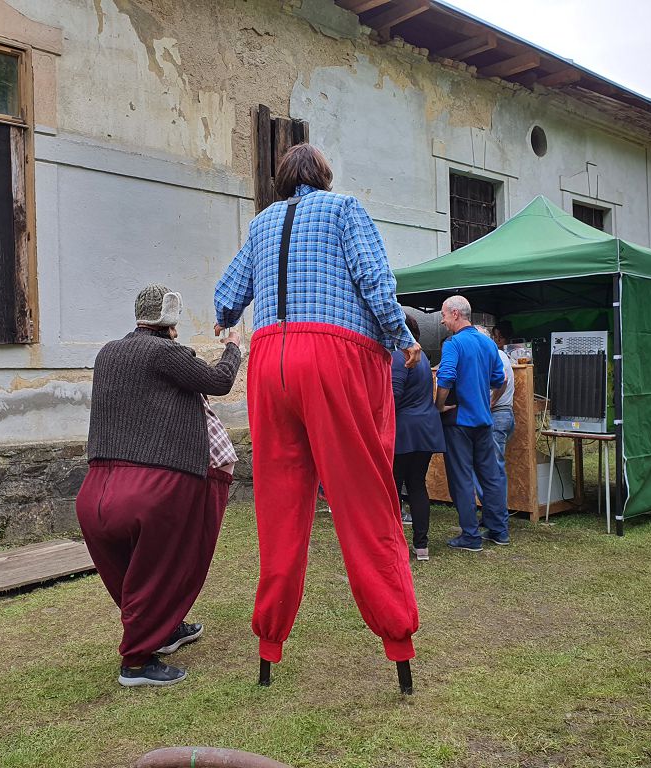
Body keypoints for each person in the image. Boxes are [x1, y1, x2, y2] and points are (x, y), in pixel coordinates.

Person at [214, 143, 421, 691]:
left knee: (279, 507)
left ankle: (269, 644)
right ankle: (397, 638)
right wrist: (402, 336)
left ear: (284, 178)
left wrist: (224, 317)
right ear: (323, 176)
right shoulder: (344, 208)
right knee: (364, 498)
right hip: (333, 355)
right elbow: (375, 280)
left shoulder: (261, 223)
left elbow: (227, 295)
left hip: (269, 363)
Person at [76, 284, 242, 688]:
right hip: (152, 486)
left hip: (96, 489)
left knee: (131, 574)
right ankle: (136, 664)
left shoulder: (107, 353)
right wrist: (234, 347)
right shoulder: (166, 352)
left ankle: (164, 630)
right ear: (171, 319)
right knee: (166, 568)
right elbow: (219, 381)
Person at [435, 296, 509, 552]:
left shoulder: (453, 344)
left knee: (462, 478)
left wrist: (439, 405)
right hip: (484, 420)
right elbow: (500, 379)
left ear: (455, 314)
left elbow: (445, 376)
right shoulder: (488, 343)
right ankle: (499, 531)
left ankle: (470, 535)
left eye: (444, 315)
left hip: (459, 421)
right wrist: (488, 401)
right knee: (491, 476)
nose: (442, 321)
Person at [392, 313, 445, 561]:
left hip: (404, 431)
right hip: (426, 428)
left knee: (393, 487)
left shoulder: (400, 356)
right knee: (416, 485)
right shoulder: (422, 357)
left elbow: (393, 396)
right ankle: (421, 546)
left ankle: (394, 544)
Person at [474, 325, 515, 517]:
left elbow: (503, 379)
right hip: (504, 414)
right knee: (492, 468)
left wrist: (490, 402)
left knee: (492, 469)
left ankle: (496, 517)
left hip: (497, 415)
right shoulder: (500, 354)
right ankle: (495, 515)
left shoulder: (492, 355)